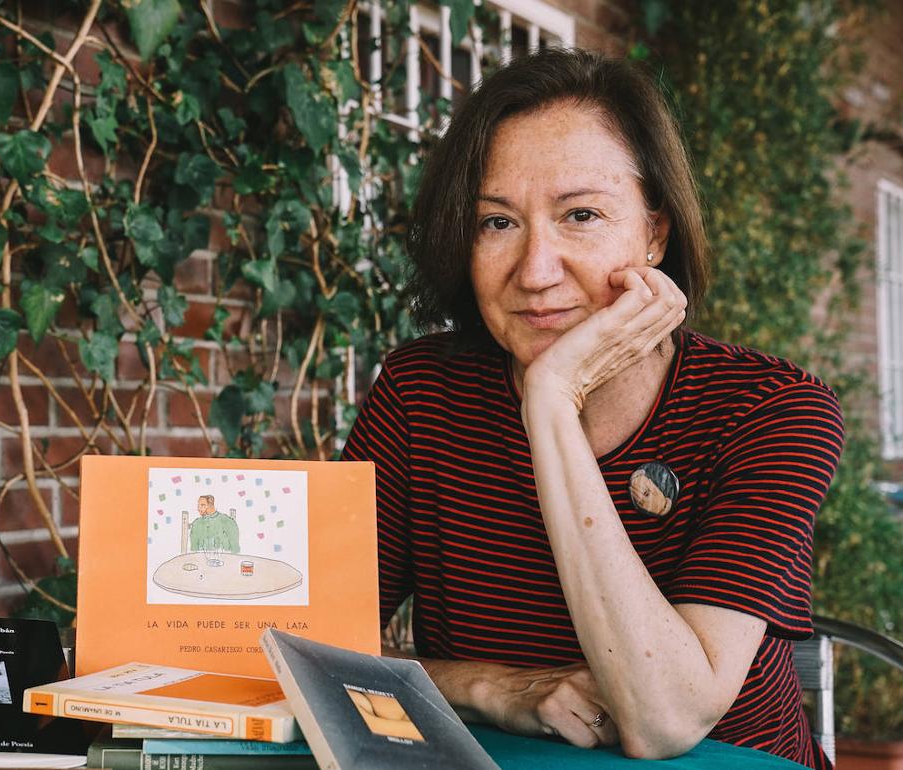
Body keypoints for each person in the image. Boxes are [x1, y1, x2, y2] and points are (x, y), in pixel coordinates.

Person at [341, 48, 843, 770]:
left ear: (655, 234)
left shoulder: (772, 411)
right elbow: (313, 644)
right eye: (496, 223)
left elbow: (663, 718)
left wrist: (550, 403)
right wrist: (489, 687)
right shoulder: (423, 395)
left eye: (581, 214)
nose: (537, 271)